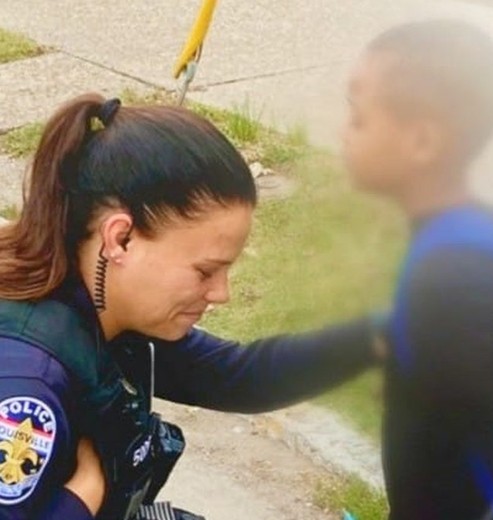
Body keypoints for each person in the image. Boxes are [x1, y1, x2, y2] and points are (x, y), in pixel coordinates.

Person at [0, 94, 382, 520]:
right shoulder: (30, 383)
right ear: (120, 238)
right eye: (205, 271)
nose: (222, 293)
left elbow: (236, 376)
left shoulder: (99, 309)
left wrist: (376, 339)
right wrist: (84, 497)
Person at [341, 20, 493, 519]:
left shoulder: (452, 274)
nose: (345, 134)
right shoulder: (491, 242)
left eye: (359, 119)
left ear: (423, 142)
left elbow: (444, 459)